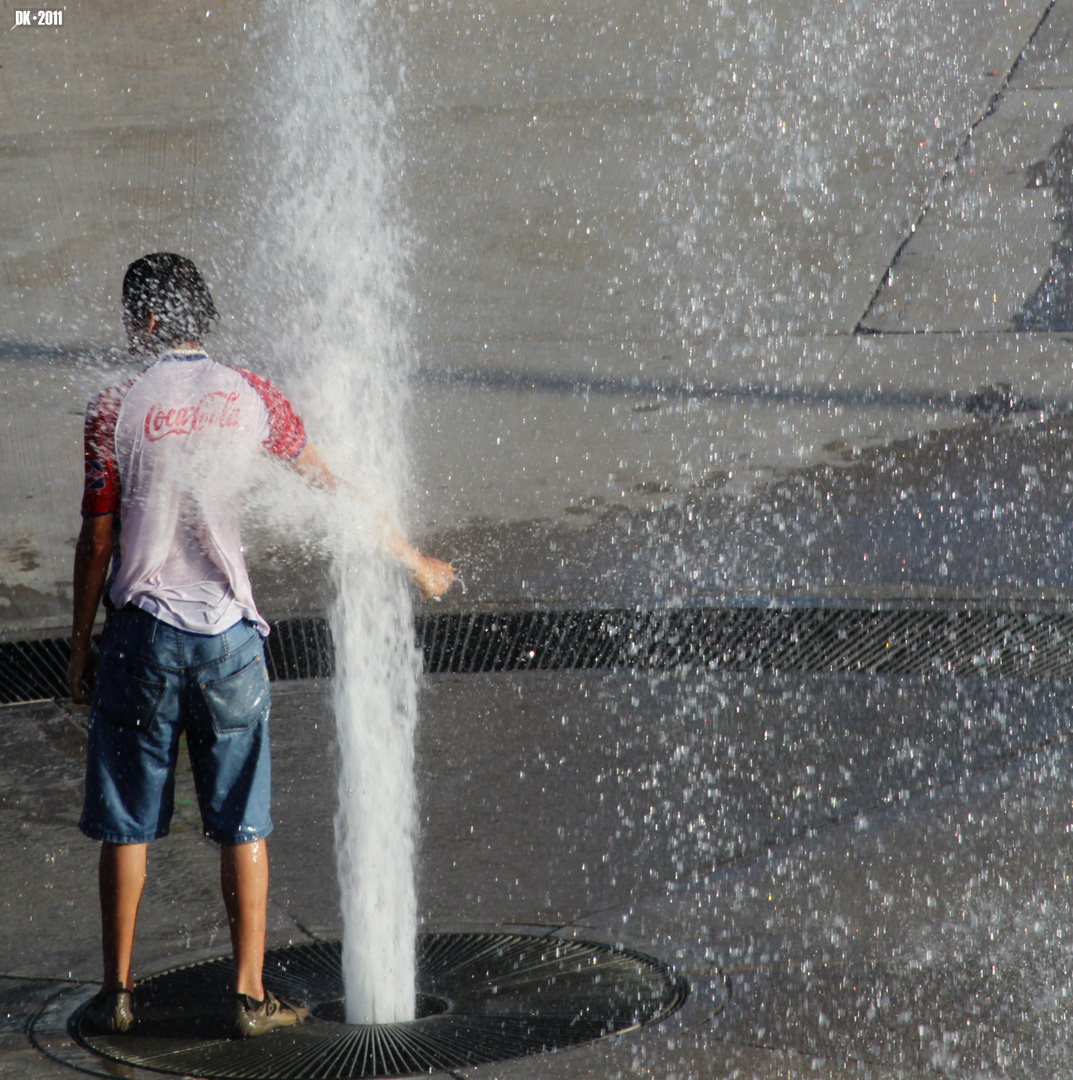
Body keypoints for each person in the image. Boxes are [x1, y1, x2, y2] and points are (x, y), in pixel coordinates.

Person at [68, 252, 454, 1038]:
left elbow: (98, 537)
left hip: (141, 633)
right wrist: (410, 558)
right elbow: (327, 487)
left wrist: (80, 645)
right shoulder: (252, 397)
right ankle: (249, 996)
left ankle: (116, 991)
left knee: (128, 821)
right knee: (243, 820)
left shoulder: (114, 406)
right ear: (199, 318)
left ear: (144, 321)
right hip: (229, 641)